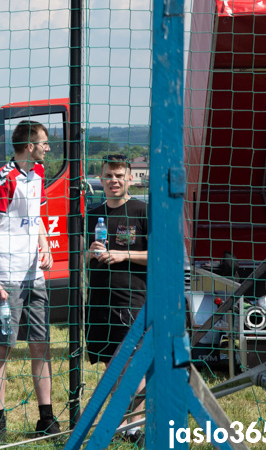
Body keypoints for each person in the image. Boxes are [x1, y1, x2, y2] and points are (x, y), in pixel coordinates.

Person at [0, 121, 60, 439]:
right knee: (2, 348)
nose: (48, 147)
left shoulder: (38, 174)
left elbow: (36, 217)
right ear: (29, 146)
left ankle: (46, 418)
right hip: (7, 277)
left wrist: (46, 246)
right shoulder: (5, 178)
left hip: (33, 275)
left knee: (41, 345)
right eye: (44, 143)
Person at [85, 153, 149, 444]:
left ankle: (134, 427)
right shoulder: (92, 213)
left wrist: (124, 255)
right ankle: (125, 424)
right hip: (99, 301)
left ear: (130, 179)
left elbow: (158, 256)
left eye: (120, 175)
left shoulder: (141, 211)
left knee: (132, 366)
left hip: (131, 300)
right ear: (101, 179)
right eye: (109, 175)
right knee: (112, 367)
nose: (114, 181)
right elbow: (80, 257)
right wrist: (89, 253)